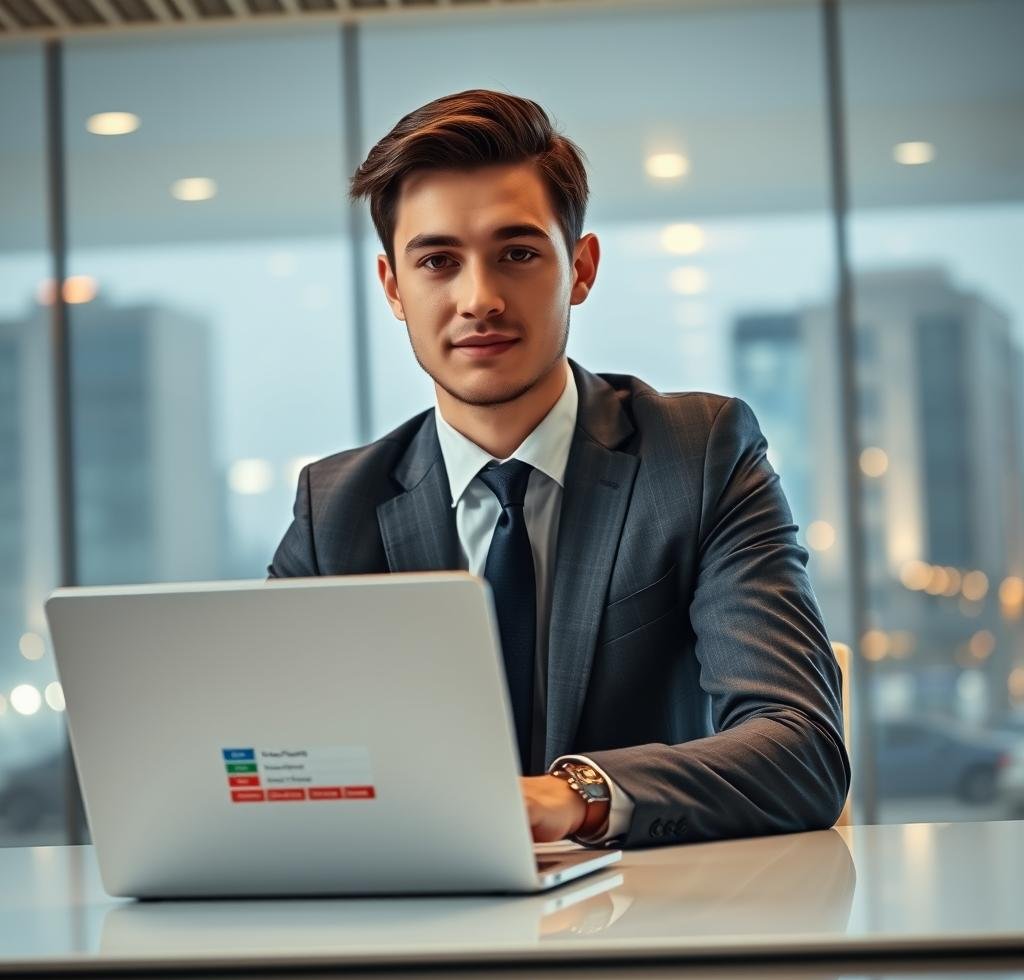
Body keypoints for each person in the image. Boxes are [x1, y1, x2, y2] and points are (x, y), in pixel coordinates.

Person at [269, 89, 850, 849]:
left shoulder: (700, 455)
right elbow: (269, 766)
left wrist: (574, 797)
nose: (478, 299)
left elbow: (799, 745)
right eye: (438, 261)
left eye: (517, 254)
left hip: (656, 930)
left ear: (580, 268)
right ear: (393, 289)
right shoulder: (333, 507)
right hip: (420, 936)